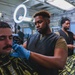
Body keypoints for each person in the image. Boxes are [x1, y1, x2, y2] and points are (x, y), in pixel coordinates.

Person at [11, 10, 68, 75]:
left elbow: (60, 63)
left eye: (40, 22)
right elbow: (22, 48)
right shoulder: (32, 37)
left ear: (48, 21)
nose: (37, 25)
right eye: (35, 23)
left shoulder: (58, 40)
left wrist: (29, 54)